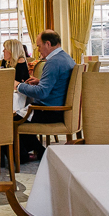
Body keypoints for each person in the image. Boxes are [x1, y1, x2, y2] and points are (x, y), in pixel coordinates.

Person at [15, 30, 75, 162]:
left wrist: (18, 85)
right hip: (60, 107)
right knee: (17, 115)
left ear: (48, 44)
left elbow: (42, 93)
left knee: (11, 119)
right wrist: (40, 82)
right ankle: (37, 150)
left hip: (50, 110)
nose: (38, 50)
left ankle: (23, 156)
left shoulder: (53, 62)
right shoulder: (66, 58)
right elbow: (57, 84)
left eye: (39, 46)